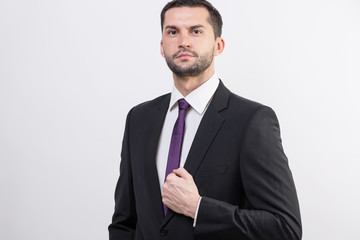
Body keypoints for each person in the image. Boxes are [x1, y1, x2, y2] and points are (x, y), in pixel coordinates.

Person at [108, 0, 302, 239]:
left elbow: (284, 229)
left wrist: (199, 208)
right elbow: (125, 221)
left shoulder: (252, 121)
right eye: (172, 32)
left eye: (196, 31)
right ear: (162, 46)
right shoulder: (139, 118)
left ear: (218, 45)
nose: (183, 41)